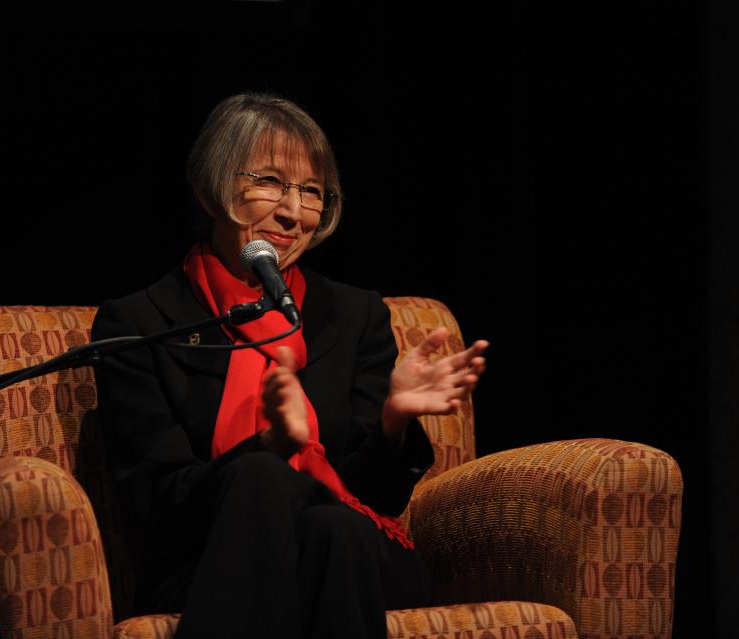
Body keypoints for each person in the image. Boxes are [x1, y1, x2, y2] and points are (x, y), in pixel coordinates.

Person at [91, 92, 488, 639]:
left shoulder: (351, 316)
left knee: (334, 527)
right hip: (206, 558)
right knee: (288, 498)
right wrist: (271, 450)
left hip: (363, 550)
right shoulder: (141, 321)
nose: (293, 212)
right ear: (211, 189)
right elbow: (156, 503)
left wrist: (393, 422)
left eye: (311, 192)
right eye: (271, 182)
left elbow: (374, 498)